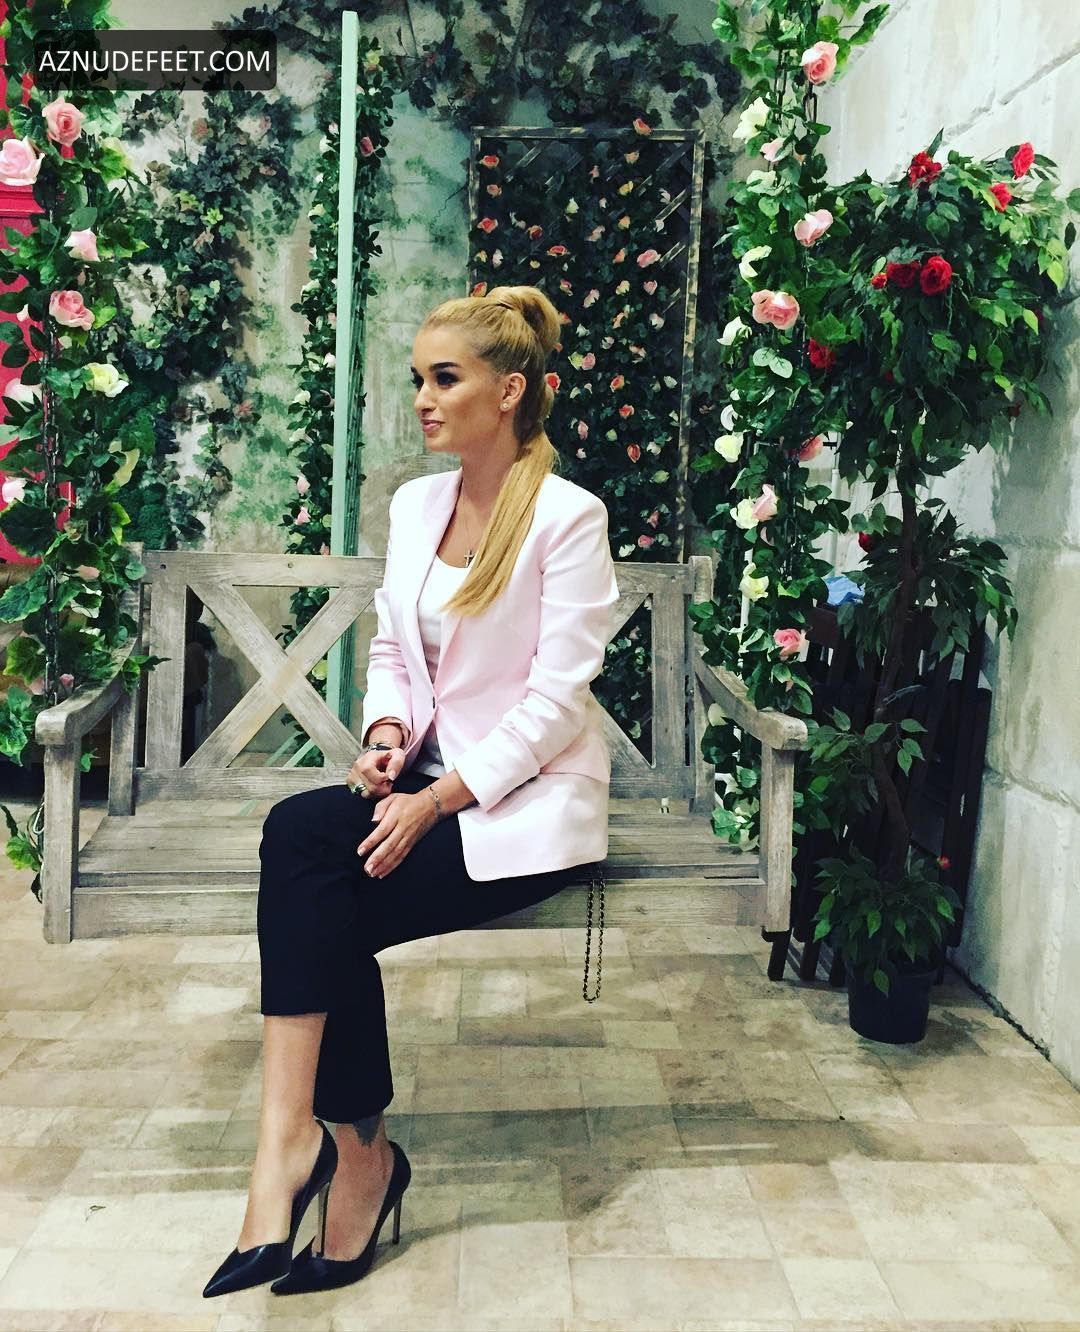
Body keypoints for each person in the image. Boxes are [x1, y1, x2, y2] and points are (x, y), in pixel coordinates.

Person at [203, 284, 619, 1298]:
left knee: (322, 897)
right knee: (301, 839)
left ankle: (341, 1161)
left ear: (509, 391)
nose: (423, 399)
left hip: (520, 809)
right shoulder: (415, 506)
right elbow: (396, 650)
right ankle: (309, 1146)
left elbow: (557, 701)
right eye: (418, 379)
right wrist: (388, 737)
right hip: (424, 782)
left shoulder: (567, 517)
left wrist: (437, 800)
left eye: (445, 378)